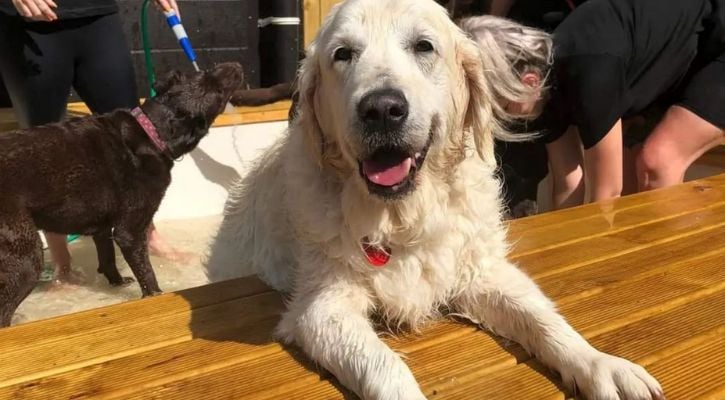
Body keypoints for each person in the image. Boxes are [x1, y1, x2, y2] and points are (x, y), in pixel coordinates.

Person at [471, 0, 725, 210]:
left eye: (500, 106)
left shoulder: (588, 72)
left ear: (528, 81)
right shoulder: (540, 89)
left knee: (657, 163)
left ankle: (670, 268)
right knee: (630, 179)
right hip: (680, 56)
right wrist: (565, 253)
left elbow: (607, 192)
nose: (502, 117)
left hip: (716, 41)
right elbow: (569, 183)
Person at [0, 0, 188, 285]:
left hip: (97, 17)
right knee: (43, 151)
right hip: (28, 25)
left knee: (134, 136)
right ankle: (62, 261)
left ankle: (148, 234)